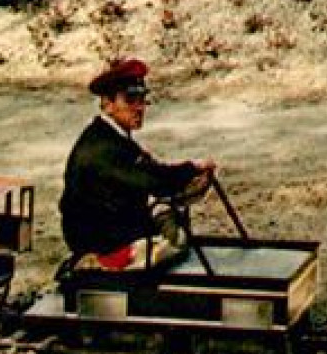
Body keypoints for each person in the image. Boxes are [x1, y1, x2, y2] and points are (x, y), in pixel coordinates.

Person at [60, 59, 215, 272]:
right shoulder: (101, 149)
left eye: (142, 99)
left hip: (113, 231)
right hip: (104, 246)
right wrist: (191, 170)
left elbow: (150, 171)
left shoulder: (109, 136)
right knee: (176, 240)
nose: (139, 107)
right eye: (130, 99)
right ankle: (94, 268)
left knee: (168, 218)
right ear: (108, 103)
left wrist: (189, 172)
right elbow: (153, 181)